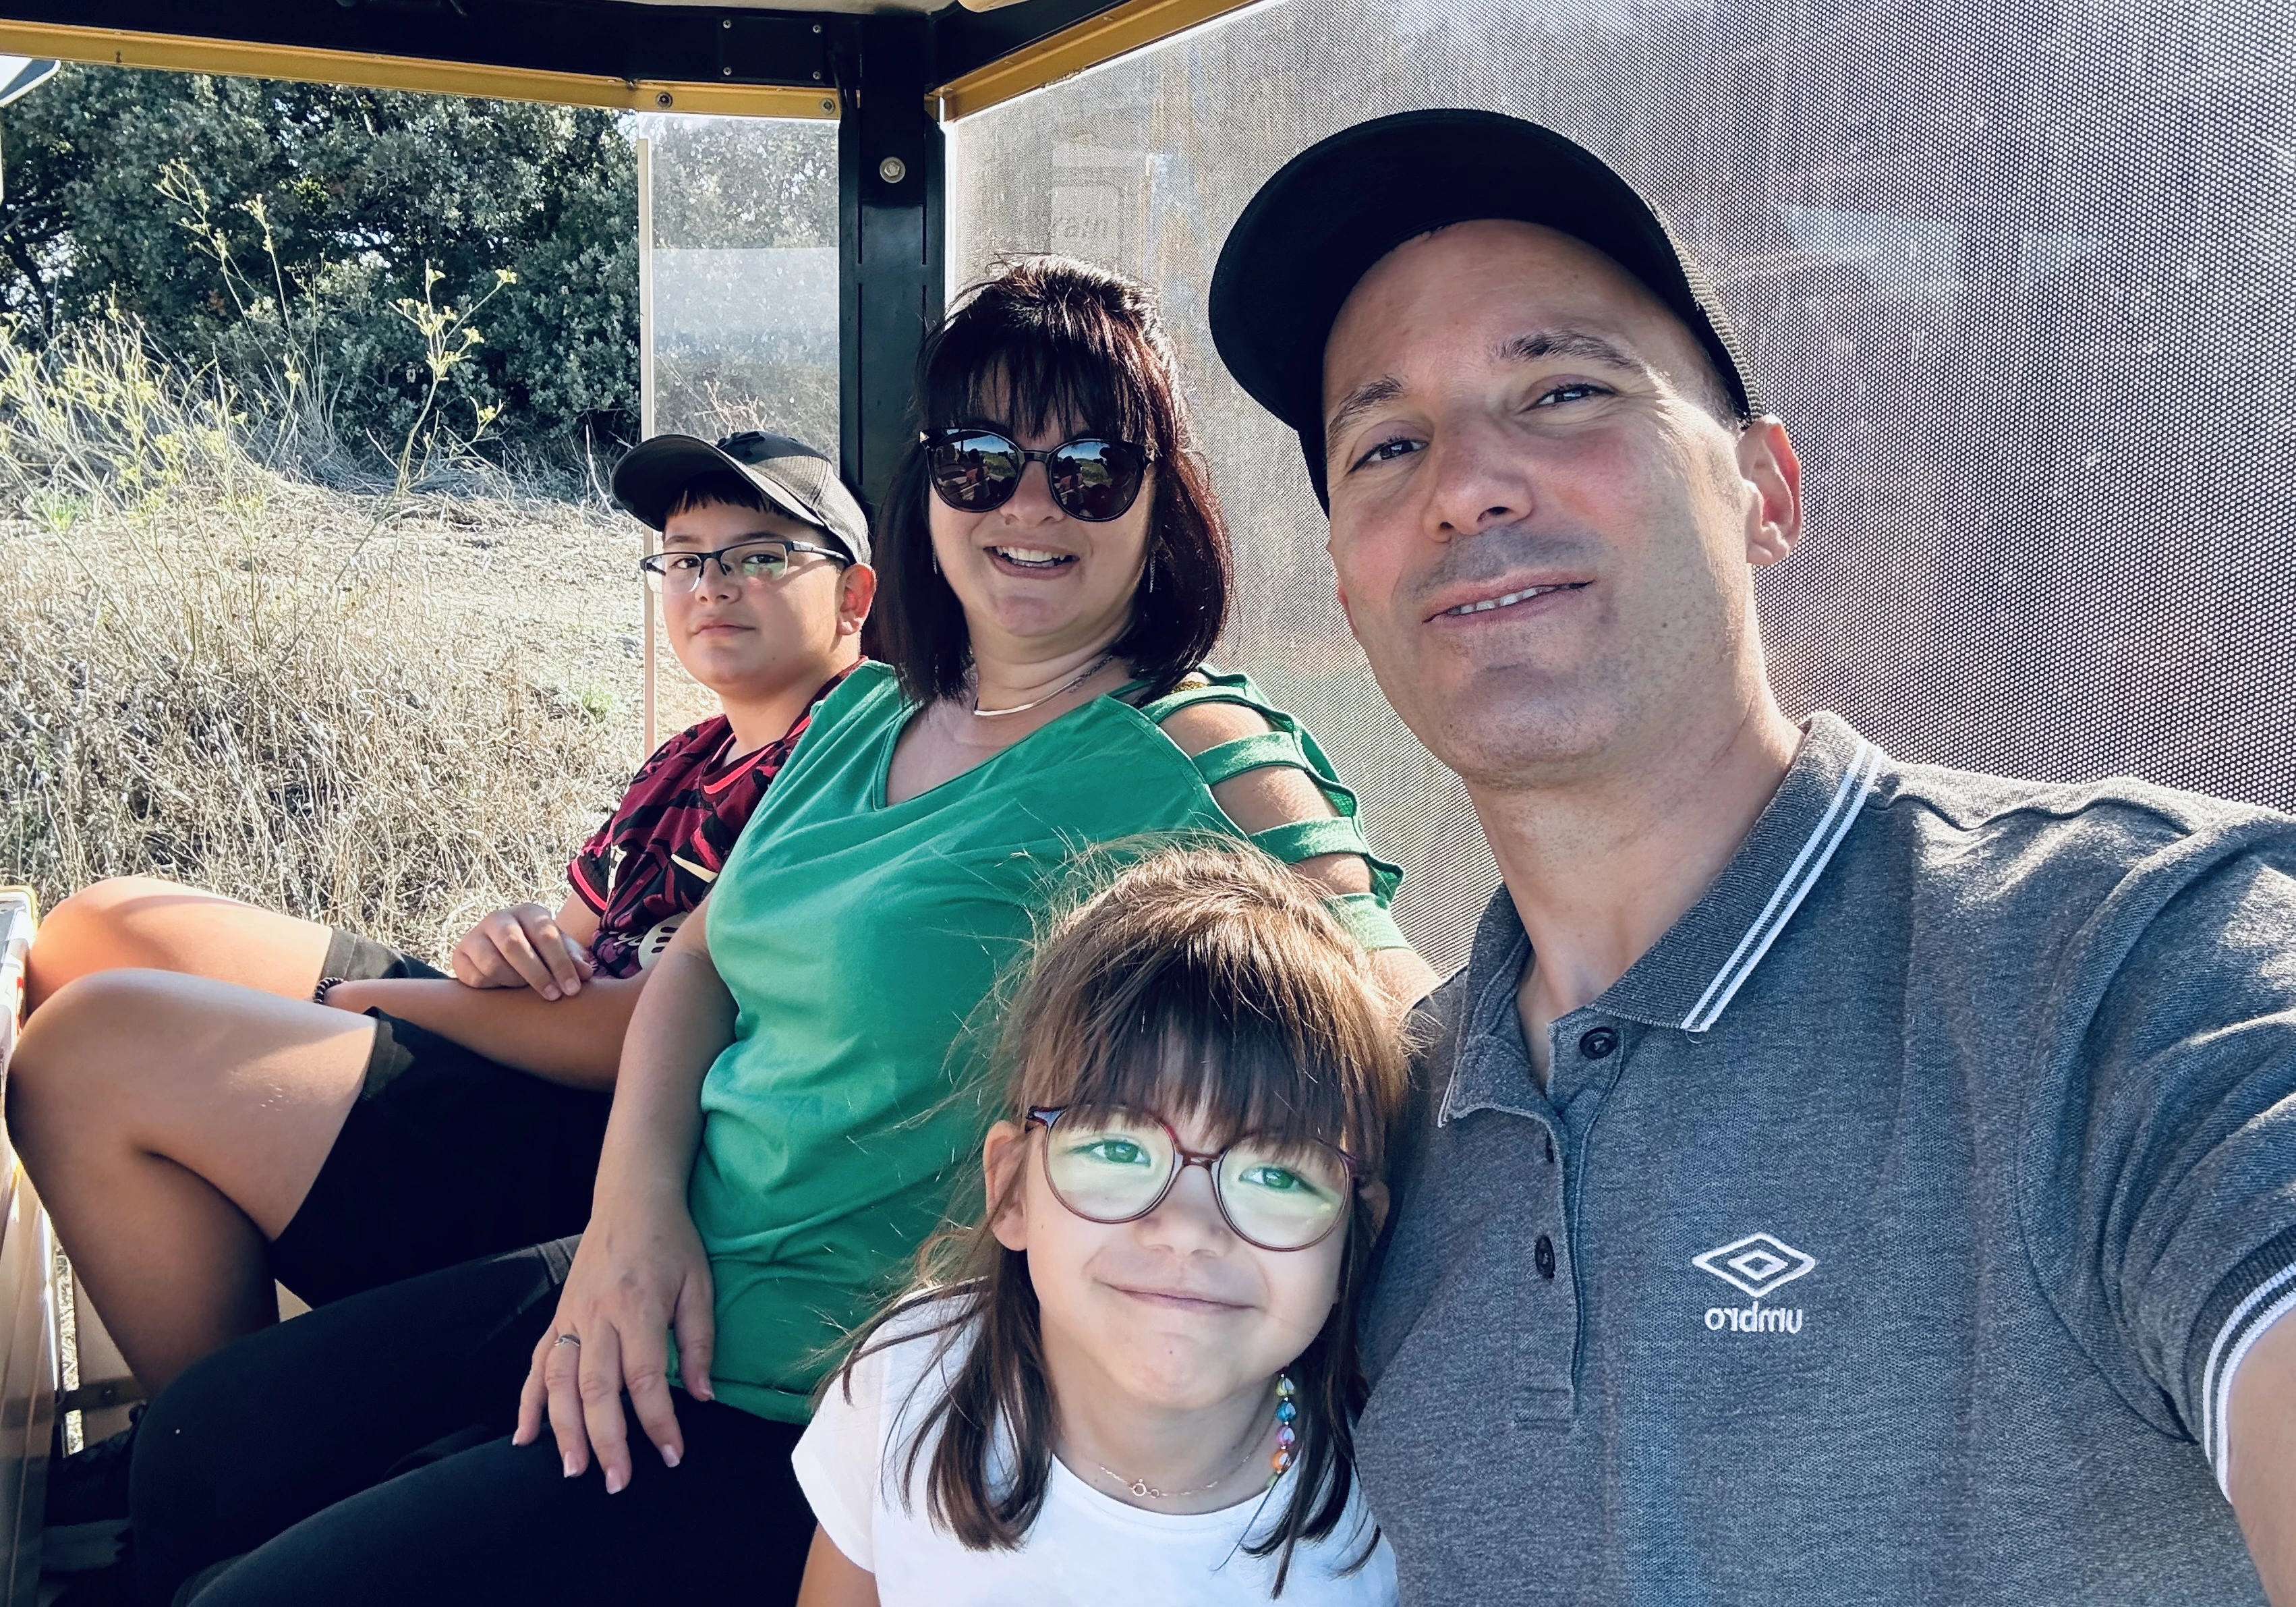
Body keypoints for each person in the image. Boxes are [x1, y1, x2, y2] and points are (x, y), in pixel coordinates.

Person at [124, 254, 1436, 1607]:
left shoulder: (1192, 749)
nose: (1031, 505)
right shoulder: (868, 712)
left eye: (1090, 467)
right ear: (926, 485)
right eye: (980, 460)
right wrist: (631, 1222)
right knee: (198, 1450)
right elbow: (698, 959)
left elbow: (1402, 1024)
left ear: (1162, 499)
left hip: (818, 1393)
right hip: (654, 1267)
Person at [1206, 108, 2296, 1604]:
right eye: (1386, 444)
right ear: (1347, 586)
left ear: (1764, 491)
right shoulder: (1378, 1135)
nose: (1465, 483)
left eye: (1563, 388)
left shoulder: (2121, 966)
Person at [7, 431, 871, 1388]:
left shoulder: (845, 757)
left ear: (853, 596)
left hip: (614, 1150)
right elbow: (575, 956)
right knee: (108, 923)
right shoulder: (690, 754)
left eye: (759, 556)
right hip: (541, 1054)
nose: (711, 584)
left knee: (91, 1048)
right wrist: (506, 938)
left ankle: (213, 1445)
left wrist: (374, 1003)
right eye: (684, 557)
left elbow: (646, 1030)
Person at [793, 841, 1403, 1607]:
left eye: (1275, 1173)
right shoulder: (906, 1386)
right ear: (1011, 1189)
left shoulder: (1392, 1524)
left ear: (1357, 1233)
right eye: (1117, 1148)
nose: (1186, 1227)